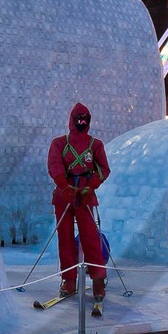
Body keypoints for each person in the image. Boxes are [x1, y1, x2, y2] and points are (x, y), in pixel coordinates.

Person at [46, 102, 111, 302]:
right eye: (79, 119)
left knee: (91, 238)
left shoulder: (96, 145)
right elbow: (54, 166)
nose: (82, 122)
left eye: (85, 119)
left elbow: (103, 169)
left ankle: (98, 281)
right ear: (72, 120)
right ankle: (69, 280)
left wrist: (90, 186)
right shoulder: (59, 143)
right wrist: (65, 187)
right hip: (64, 197)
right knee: (64, 240)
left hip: (85, 197)